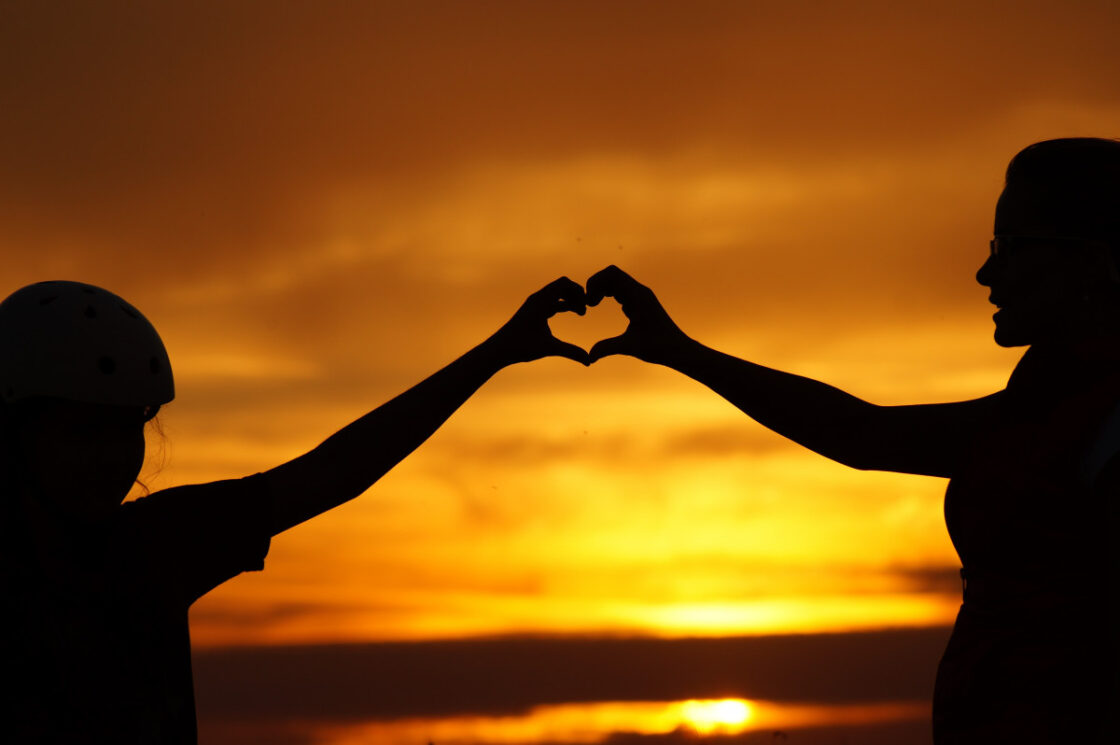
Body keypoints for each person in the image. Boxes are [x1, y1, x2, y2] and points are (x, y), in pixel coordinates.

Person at [583, 138, 1120, 743]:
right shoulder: (1046, 405)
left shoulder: (1106, 426)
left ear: (1094, 262)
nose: (986, 271)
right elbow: (865, 434)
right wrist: (679, 352)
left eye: (1010, 247)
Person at [0, 276, 590, 744]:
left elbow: (335, 472)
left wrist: (498, 352)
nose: (113, 459)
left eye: (129, 430)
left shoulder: (154, 544)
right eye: (85, 432)